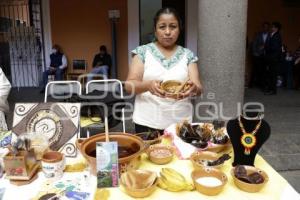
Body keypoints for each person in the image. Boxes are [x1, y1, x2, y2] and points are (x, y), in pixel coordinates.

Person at [125, 7, 203, 133]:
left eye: (173, 26)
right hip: (147, 123)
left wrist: (193, 88)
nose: (167, 32)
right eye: (162, 27)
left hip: (180, 124)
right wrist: (148, 85)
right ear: (155, 30)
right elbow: (129, 85)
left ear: (179, 29)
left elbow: (198, 88)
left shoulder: (188, 55)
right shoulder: (142, 52)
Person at [264, 22, 282, 95]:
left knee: (273, 75)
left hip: (274, 58)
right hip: (271, 58)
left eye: (273, 27)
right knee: (270, 74)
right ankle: (270, 89)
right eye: (272, 27)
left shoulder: (277, 36)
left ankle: (272, 90)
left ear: (276, 28)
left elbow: (274, 48)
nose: (272, 28)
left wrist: (266, 47)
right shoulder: (273, 35)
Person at [250, 22, 270, 88]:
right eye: (264, 27)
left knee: (264, 70)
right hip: (258, 55)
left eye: (267, 27)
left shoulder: (270, 36)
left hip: (266, 55)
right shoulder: (258, 35)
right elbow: (254, 44)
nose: (265, 28)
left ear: (268, 28)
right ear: (262, 27)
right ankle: (251, 84)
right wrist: (255, 52)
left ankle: (262, 85)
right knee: (255, 69)